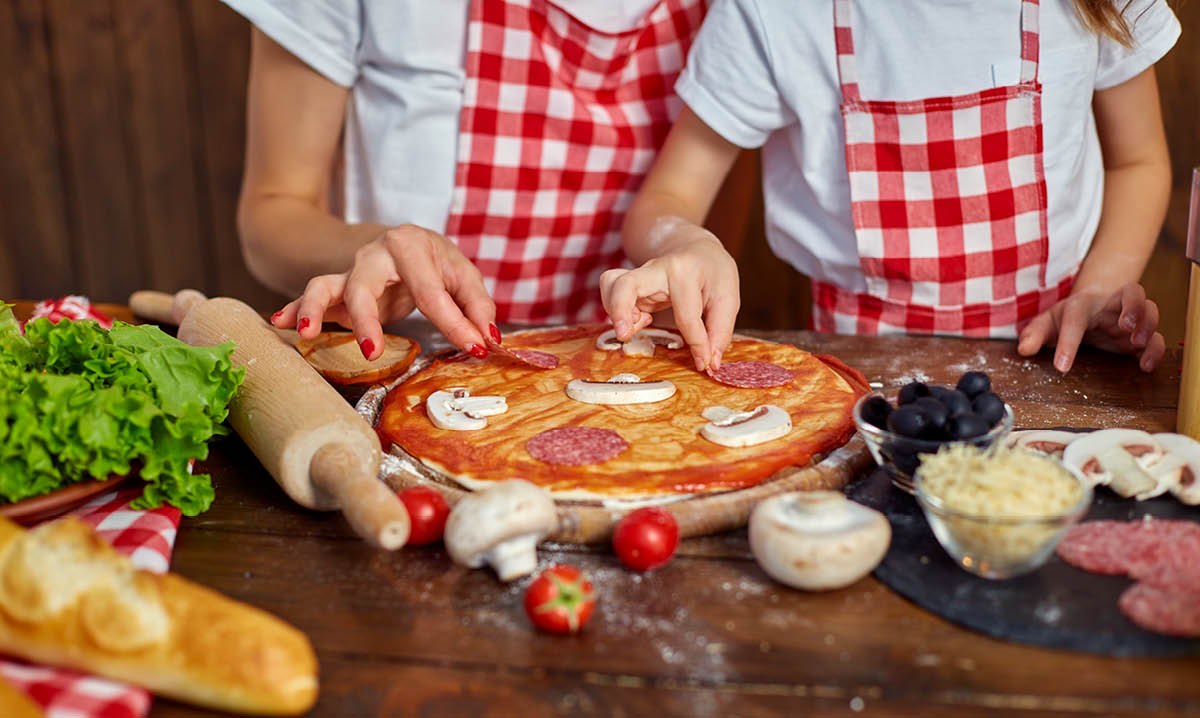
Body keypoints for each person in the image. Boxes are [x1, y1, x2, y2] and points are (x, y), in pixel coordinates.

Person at [602, 0, 1177, 373]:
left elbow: (1140, 162)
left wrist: (1097, 294)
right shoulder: (772, 13)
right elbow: (667, 200)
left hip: (1059, 366)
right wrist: (690, 244)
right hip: (856, 375)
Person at [221, 0, 707, 358]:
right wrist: (385, 250)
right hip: (399, 361)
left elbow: (694, 218)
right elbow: (272, 211)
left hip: (622, 364)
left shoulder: (737, 16)